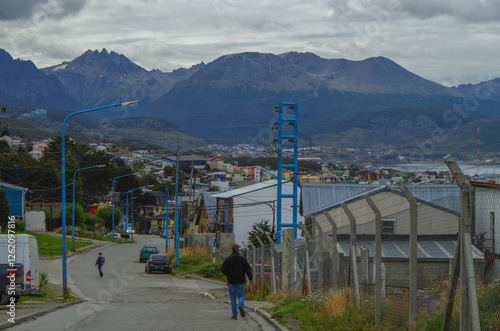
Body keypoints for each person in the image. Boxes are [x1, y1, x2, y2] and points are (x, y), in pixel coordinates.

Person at [221, 243, 252, 320]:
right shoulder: (243, 259)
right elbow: (248, 269)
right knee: (241, 295)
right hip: (240, 280)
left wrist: (228, 274)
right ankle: (241, 305)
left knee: (233, 297)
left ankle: (235, 315)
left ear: (232, 250)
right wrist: (250, 278)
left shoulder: (228, 259)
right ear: (238, 249)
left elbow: (223, 269)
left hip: (231, 281)